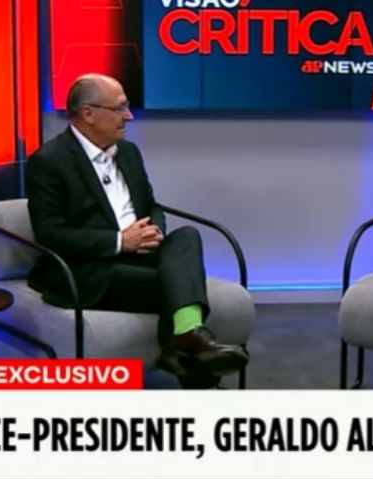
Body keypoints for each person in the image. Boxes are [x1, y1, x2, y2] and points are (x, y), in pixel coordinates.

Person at [25, 73, 248, 387]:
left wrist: (153, 230)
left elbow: (152, 206)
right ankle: (193, 358)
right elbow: (51, 234)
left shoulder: (128, 152)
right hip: (91, 268)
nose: (128, 116)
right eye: (119, 108)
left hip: (141, 253)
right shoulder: (49, 161)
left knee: (187, 236)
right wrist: (120, 241)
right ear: (88, 113)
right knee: (174, 286)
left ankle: (184, 341)